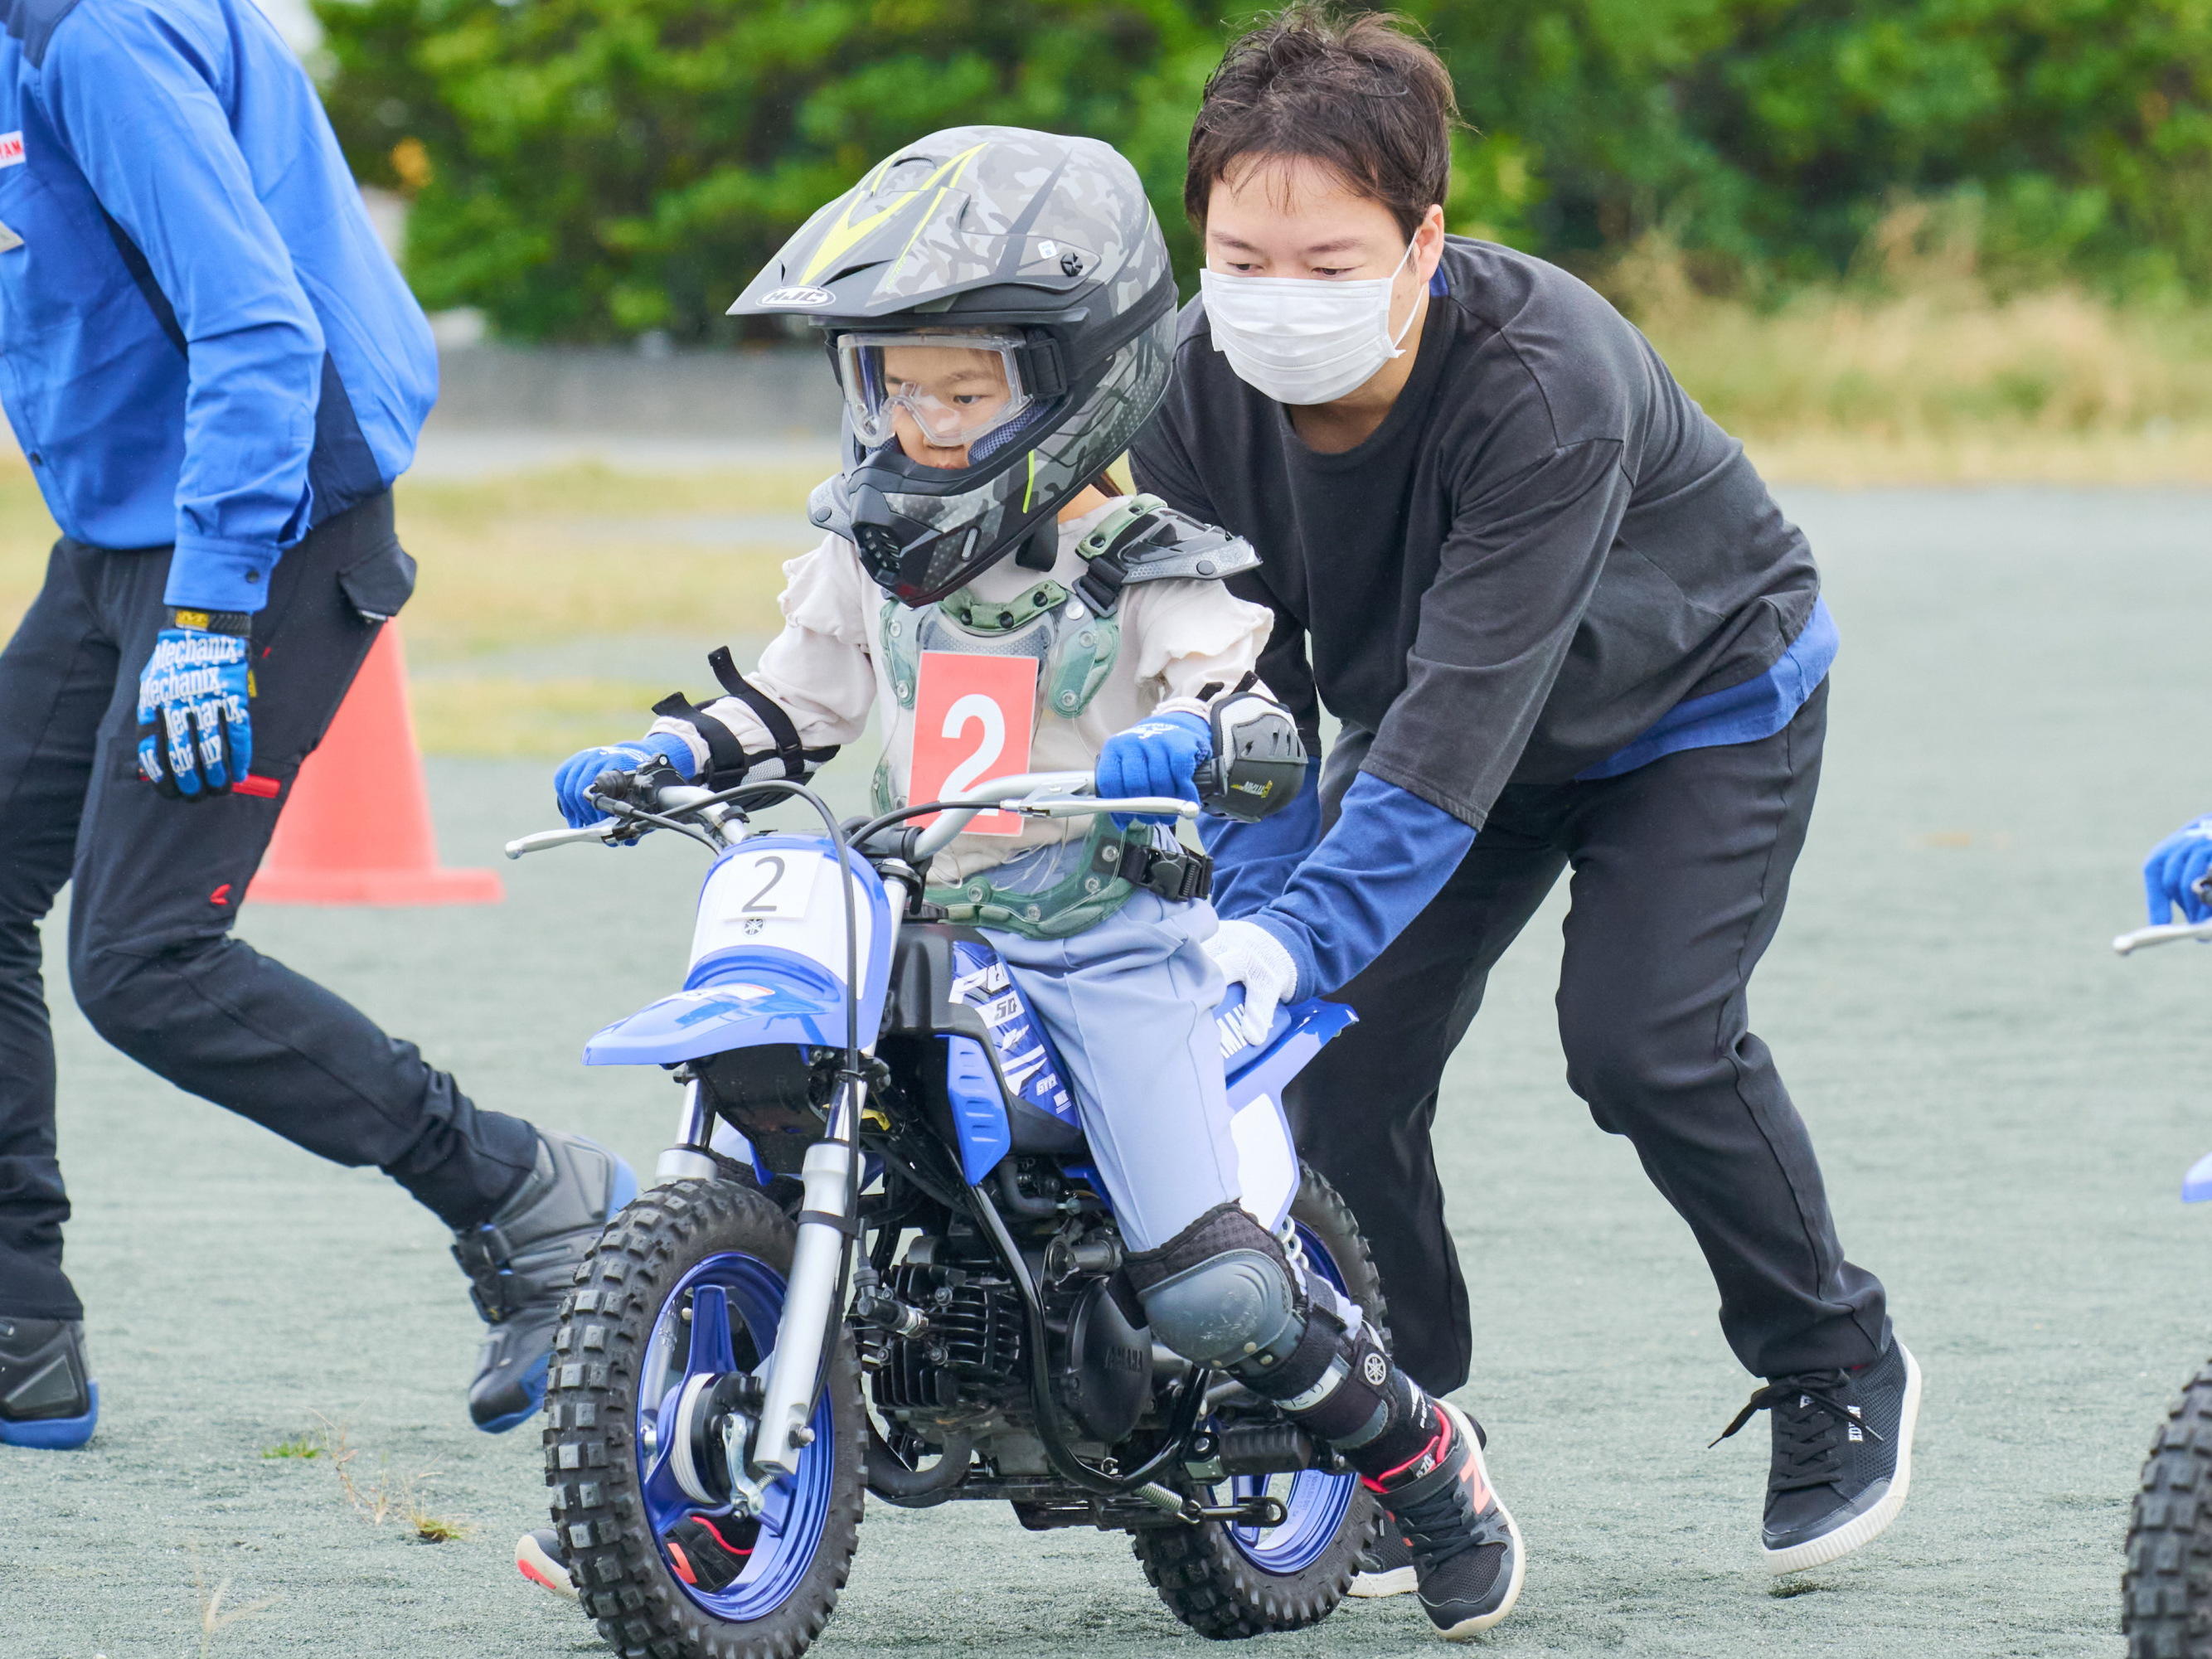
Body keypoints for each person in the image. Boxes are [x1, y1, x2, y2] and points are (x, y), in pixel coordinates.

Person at [530, 126, 1525, 1640]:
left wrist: (1186, 742)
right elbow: (798, 702)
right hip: (921, 916)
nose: (924, 420)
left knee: (1207, 1283)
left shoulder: (1143, 558)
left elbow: (1245, 708)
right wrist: (671, 756)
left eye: (965, 388)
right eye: (895, 384)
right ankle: (656, 1469)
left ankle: (1421, 1457)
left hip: (1106, 941)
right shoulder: (870, 551)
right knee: (772, 1059)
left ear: (1072, 385)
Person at [1130, 6, 1919, 1581]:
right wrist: (1258, 917)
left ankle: (1834, 1356)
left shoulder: (1545, 378)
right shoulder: (1188, 392)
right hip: (1436, 721)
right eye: (1243, 256)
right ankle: (1394, 1419)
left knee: (1641, 1042)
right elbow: (1245, 688)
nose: (1278, 301)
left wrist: (1289, 943)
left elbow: (1449, 743)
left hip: (1695, 701)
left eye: (1332, 261)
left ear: (1427, 239)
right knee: (1330, 1068)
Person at [0, 0, 632, 1451]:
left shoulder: (92, 39)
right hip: (114, 535)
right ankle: (19, 1319)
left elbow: (259, 323)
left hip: (263, 525)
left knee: (144, 959)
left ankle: (529, 1191)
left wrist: (212, 613)